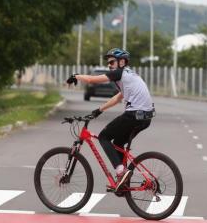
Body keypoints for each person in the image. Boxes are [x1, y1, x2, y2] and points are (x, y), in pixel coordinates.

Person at [66, 48, 155, 191]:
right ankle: (123, 180)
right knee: (118, 143)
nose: (109, 65)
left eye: (112, 62)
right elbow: (118, 97)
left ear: (122, 62)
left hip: (134, 115)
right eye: (108, 63)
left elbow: (91, 80)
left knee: (103, 137)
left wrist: (76, 76)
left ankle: (121, 170)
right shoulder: (129, 75)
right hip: (145, 117)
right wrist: (98, 111)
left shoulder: (120, 72)